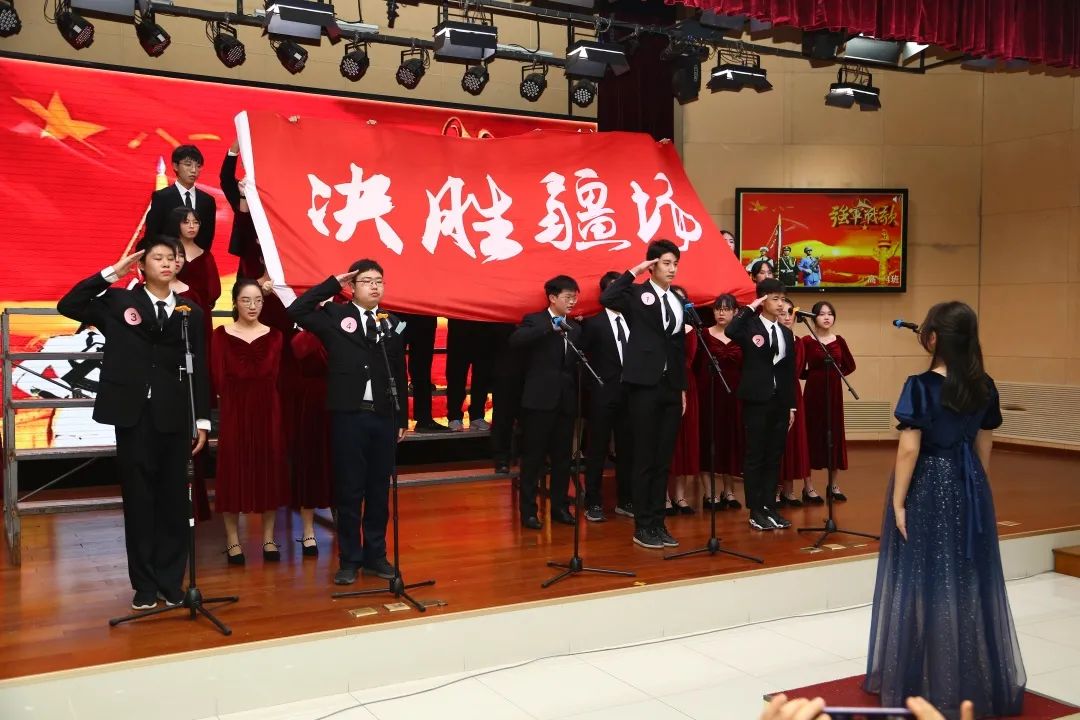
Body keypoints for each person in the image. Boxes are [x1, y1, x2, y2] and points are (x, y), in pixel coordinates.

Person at [865, 301, 1025, 719]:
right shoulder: (984, 385)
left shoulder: (920, 386)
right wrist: (976, 488)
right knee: (965, 577)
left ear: (933, 338)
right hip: (969, 481)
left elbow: (909, 450)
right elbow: (984, 443)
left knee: (922, 577)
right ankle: (966, 673)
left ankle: (921, 675)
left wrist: (898, 502)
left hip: (928, 484)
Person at [57, 238, 210, 610]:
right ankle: (144, 585)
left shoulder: (190, 312)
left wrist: (202, 420)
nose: (166, 263)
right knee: (140, 501)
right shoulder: (118, 302)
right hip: (133, 415)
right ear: (142, 265)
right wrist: (113, 272)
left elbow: (200, 368)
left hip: (175, 416)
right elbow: (69, 304)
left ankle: (171, 582)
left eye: (172, 258)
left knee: (174, 502)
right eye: (157, 257)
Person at [286, 259, 408, 585]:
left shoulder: (392, 323)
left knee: (378, 490)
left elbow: (399, 371)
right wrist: (332, 284)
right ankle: (350, 559)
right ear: (352, 287)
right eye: (367, 281)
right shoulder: (335, 316)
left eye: (379, 281)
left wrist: (401, 417)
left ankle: (376, 556)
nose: (375, 286)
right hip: (348, 416)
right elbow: (297, 310)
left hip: (383, 416)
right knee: (350, 489)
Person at [600, 239, 687, 550]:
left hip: (670, 387)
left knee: (663, 459)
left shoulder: (677, 300)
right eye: (666, 263)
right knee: (644, 458)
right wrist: (634, 271)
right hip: (643, 386)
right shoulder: (637, 294)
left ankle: (658, 523)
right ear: (652, 265)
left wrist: (681, 388)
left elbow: (677, 348)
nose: (672, 269)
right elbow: (607, 297)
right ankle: (643, 525)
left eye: (675, 263)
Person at [211, 280, 289, 565]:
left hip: (268, 411)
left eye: (258, 300)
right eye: (246, 300)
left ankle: (268, 538)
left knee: (269, 471)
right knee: (232, 472)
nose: (253, 306)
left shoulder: (276, 336)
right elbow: (217, 378)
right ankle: (233, 539)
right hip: (234, 411)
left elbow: (279, 377)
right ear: (235, 302)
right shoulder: (220, 335)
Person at [508, 276, 582, 530]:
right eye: (567, 297)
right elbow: (516, 340)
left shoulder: (576, 328)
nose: (572, 302)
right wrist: (550, 327)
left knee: (563, 459)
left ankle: (560, 507)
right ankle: (529, 511)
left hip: (565, 402)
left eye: (575, 297)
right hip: (539, 401)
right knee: (533, 459)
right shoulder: (535, 320)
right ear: (552, 298)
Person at [725, 277, 795, 532]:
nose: (781, 304)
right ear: (763, 300)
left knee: (774, 456)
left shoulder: (786, 333)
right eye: (775, 299)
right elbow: (730, 331)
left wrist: (791, 406)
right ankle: (755, 510)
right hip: (757, 399)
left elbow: (788, 372)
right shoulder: (750, 326)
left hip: (779, 402)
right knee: (755, 455)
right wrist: (750, 307)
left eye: (782, 299)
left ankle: (769, 507)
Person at [580, 271, 633, 522]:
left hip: (629, 395)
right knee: (597, 450)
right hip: (602, 396)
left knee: (628, 449)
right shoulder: (594, 323)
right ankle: (593, 502)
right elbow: (581, 358)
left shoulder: (633, 320)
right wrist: (593, 387)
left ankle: (626, 500)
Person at [801, 301, 855, 502]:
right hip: (813, 393)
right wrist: (815, 375)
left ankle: (833, 485)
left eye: (830, 314)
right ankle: (808, 487)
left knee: (834, 435)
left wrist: (833, 374)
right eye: (822, 314)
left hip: (834, 393)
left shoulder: (839, 340)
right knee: (811, 435)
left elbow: (850, 365)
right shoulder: (806, 341)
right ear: (813, 317)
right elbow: (799, 368)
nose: (826, 317)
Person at [696, 294, 744, 511]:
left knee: (730, 441)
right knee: (708, 440)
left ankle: (729, 491)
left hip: (734, 395)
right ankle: (709, 493)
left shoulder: (742, 336)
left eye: (726, 309)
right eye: (717, 309)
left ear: (735, 312)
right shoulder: (703, 335)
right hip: (709, 394)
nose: (721, 313)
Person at [289, 328, 333, 557]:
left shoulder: (341, 326)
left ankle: (346, 526)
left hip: (339, 402)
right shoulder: (302, 336)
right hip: (309, 404)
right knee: (310, 465)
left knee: (340, 466)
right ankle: (308, 531)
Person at [777, 298, 814, 507]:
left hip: (793, 393)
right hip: (775, 392)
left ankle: (788, 490)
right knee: (776, 442)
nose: (787, 317)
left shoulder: (798, 342)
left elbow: (798, 370)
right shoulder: (770, 337)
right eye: (782, 313)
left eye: (790, 312)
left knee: (792, 442)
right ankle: (774, 489)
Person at [143, 145, 217, 252]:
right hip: (169, 258)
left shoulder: (207, 201)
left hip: (197, 259)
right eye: (188, 165)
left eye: (198, 166)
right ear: (175, 166)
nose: (194, 170)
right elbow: (152, 234)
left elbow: (207, 237)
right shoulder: (162, 198)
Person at [167, 207, 220, 347]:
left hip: (201, 311)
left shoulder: (206, 256)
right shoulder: (166, 253)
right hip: (171, 309)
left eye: (196, 222)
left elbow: (215, 290)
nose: (192, 226)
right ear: (176, 224)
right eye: (186, 222)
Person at [666, 285, 699, 515]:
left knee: (685, 440)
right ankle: (663, 497)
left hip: (686, 383)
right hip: (663, 383)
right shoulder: (658, 325)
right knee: (666, 441)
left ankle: (680, 495)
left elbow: (689, 359)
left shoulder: (690, 330)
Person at [396, 313, 449, 433]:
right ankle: (398, 420)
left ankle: (423, 420)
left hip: (422, 320)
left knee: (422, 369)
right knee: (395, 364)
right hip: (401, 320)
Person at [445, 319, 495, 432]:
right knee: (456, 374)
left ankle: (477, 416)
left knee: (482, 375)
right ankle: (454, 416)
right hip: (459, 326)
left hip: (484, 328)